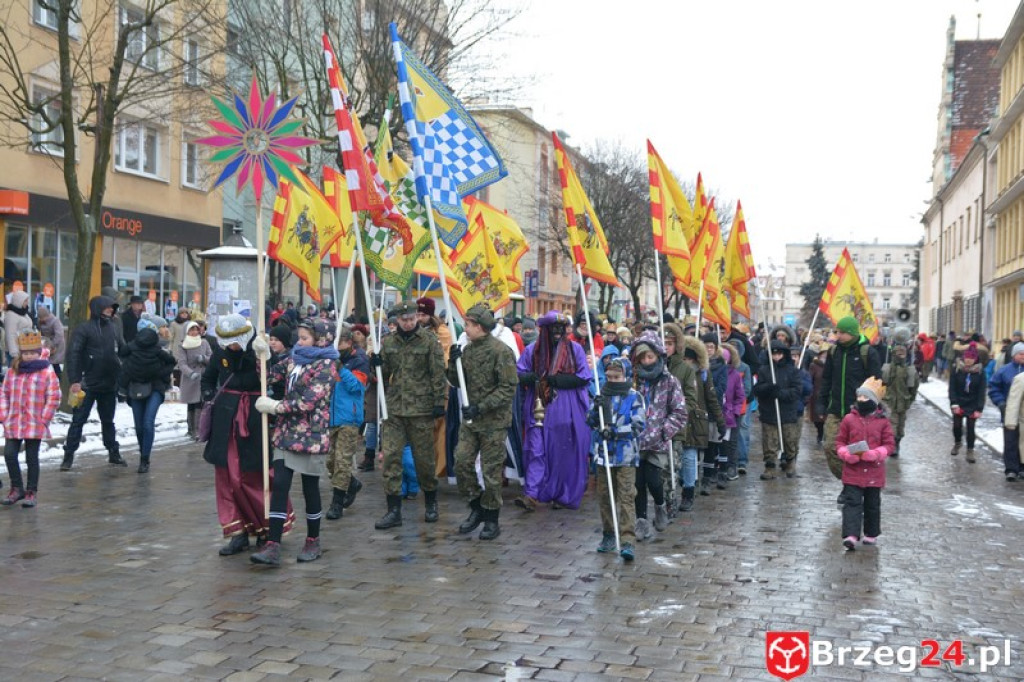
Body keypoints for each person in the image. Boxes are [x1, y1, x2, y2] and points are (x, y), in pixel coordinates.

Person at [202, 314, 293, 555]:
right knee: (227, 477)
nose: (230, 347)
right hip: (225, 421)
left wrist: (266, 358)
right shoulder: (220, 353)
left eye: (234, 342)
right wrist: (210, 396)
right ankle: (237, 531)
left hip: (254, 417)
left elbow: (274, 379)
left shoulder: (259, 351)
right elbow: (209, 377)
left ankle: (266, 528)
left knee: (255, 474)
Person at [251, 319, 338, 565]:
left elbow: (309, 402)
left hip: (311, 434)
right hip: (286, 433)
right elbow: (267, 378)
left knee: (310, 488)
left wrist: (277, 406)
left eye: (305, 338)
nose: (299, 342)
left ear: (320, 339)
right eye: (299, 337)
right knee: (280, 485)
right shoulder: (294, 359)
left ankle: (313, 540)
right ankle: (273, 543)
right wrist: (263, 355)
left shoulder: (327, 365)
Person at [371, 300, 446, 529]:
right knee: (391, 458)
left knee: (424, 460)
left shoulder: (429, 341)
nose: (408, 323)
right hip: (395, 409)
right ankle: (394, 510)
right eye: (404, 320)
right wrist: (375, 364)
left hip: (421, 409)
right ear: (397, 321)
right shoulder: (390, 343)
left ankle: (431, 503)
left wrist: (439, 402)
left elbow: (437, 372)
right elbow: (383, 376)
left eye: (411, 319)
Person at [448, 304, 517, 541]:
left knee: (490, 471)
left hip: (494, 422)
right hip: (471, 421)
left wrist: (482, 406)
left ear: (479, 326)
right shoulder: (467, 350)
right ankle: (476, 505)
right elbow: (457, 382)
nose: (465, 328)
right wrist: (452, 362)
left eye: (468, 324)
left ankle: (491, 519)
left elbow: (508, 388)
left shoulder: (501, 351)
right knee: (461, 462)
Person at [516, 311, 592, 511]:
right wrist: (532, 378)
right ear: (545, 330)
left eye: (561, 328)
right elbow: (519, 372)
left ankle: (561, 493)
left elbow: (584, 376)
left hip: (566, 409)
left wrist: (555, 380)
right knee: (536, 449)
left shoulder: (575, 350)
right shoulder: (533, 350)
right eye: (554, 329)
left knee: (562, 452)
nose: (558, 333)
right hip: (538, 406)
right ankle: (532, 494)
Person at [587, 357, 644, 561]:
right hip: (604, 456)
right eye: (609, 376)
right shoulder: (603, 395)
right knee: (605, 496)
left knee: (626, 496)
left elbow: (638, 426)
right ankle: (608, 534)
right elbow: (592, 422)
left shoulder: (634, 397)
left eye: (617, 377)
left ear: (626, 376)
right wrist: (596, 411)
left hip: (626, 456)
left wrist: (616, 431)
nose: (613, 380)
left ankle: (628, 539)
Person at [630, 332, 686, 539]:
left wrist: (665, 431)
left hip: (657, 441)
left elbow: (680, 411)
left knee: (653, 479)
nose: (646, 361)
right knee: (638, 483)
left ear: (658, 356)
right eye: (642, 357)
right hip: (635, 441)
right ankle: (641, 521)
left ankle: (660, 506)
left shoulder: (669, 381)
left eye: (650, 357)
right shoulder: (633, 379)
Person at [62, 295, 126, 471]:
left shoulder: (114, 327)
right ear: (98, 308)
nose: (111, 310)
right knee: (78, 421)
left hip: (108, 382)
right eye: (107, 307)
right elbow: (73, 355)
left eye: (112, 308)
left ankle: (113, 452)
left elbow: (122, 349)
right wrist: (75, 380)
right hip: (86, 383)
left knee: (108, 420)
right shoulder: (84, 329)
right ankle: (68, 456)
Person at [816, 316, 882, 483]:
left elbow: (877, 382)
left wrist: (870, 406)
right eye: (837, 332)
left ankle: (854, 486)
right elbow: (827, 380)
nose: (838, 335)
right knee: (830, 447)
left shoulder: (867, 352)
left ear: (852, 333)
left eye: (842, 333)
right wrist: (821, 404)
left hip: (860, 412)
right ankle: (848, 480)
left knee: (857, 451)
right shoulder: (834, 351)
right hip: (836, 409)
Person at [0, 330, 60, 507]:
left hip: (35, 422)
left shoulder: (46, 372)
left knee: (31, 457)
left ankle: (31, 491)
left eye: (32, 352)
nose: (29, 356)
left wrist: (44, 419)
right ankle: (16, 488)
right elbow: (4, 393)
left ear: (39, 351)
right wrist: (4, 414)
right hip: (14, 421)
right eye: (26, 353)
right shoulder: (13, 371)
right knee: (10, 454)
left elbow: (54, 396)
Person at [664, 324, 721, 513]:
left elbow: (710, 397)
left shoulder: (700, 373)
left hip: (693, 419)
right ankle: (671, 491)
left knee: (689, 455)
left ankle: (688, 491)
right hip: (668, 418)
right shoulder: (665, 366)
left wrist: (720, 420)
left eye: (690, 358)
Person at [835, 378, 895, 550]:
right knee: (851, 503)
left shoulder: (883, 422)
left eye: (865, 397)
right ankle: (851, 535)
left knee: (872, 505)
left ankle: (871, 533)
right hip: (853, 471)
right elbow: (840, 442)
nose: (861, 400)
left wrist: (876, 454)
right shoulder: (848, 419)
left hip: (874, 472)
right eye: (859, 397)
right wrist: (846, 454)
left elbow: (889, 444)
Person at [118, 320, 176, 473]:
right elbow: (124, 367)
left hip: (155, 388)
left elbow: (172, 362)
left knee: (147, 422)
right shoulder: (132, 351)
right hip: (136, 388)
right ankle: (143, 452)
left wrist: (161, 375)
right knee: (139, 425)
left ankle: (145, 458)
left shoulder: (157, 352)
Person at [325, 325, 369, 520]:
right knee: (330, 462)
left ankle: (337, 502)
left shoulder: (359, 360)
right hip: (331, 416)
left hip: (349, 418)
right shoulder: (329, 359)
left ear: (348, 342)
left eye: (340, 343)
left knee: (342, 462)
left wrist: (341, 369)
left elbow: (357, 387)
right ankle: (351, 483)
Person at [753, 339, 804, 480]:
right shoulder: (764, 370)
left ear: (784, 354)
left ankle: (790, 463)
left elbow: (797, 390)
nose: (776, 357)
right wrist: (768, 388)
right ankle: (769, 467)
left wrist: (781, 393)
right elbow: (757, 389)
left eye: (779, 354)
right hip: (769, 411)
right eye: (773, 354)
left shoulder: (792, 370)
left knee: (789, 439)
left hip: (787, 411)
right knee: (769, 441)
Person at [988, 341, 1024, 480]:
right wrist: (1001, 402)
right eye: (1021, 354)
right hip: (1008, 411)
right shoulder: (1004, 370)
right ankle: (1011, 469)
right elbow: (994, 388)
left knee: (1023, 441)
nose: (1023, 356)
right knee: (1011, 440)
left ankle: (1022, 467)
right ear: (1014, 355)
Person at [947, 343, 986, 463]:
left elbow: (981, 391)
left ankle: (970, 450)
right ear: (964, 357)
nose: (969, 360)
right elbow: (952, 387)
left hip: (973, 403)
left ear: (975, 359)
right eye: (967, 358)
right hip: (959, 401)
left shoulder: (980, 372)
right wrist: (954, 403)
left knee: (971, 427)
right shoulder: (957, 369)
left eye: (971, 358)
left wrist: (979, 408)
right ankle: (957, 442)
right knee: (957, 426)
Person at [174, 321, 212, 440]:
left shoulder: (204, 342)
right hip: (190, 378)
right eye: (192, 330)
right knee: (191, 403)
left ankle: (198, 430)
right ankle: (191, 429)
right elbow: (182, 363)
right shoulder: (183, 345)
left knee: (199, 403)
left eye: (196, 329)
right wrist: (190, 373)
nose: (195, 332)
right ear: (187, 332)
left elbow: (211, 357)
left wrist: (204, 358)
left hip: (203, 376)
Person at [881, 339, 919, 457]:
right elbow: (881, 384)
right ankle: (892, 446)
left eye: (903, 354)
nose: (901, 356)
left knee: (900, 428)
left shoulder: (909, 370)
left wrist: (909, 399)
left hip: (903, 402)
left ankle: (897, 442)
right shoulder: (887, 369)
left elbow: (914, 387)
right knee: (892, 425)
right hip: (890, 402)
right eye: (898, 354)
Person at [4, 290, 34, 365]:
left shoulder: (23, 313)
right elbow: (10, 334)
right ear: (19, 301)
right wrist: (14, 353)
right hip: (16, 352)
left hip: (25, 349)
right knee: (15, 373)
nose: (27, 303)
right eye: (25, 301)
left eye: (27, 300)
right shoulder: (11, 315)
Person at [36, 304, 65, 377]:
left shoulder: (55, 321)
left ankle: (58, 378)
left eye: (43, 317)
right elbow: (41, 332)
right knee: (47, 362)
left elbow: (59, 334)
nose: (42, 319)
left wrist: (52, 345)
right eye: (40, 318)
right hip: (47, 344)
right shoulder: (40, 322)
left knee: (55, 363)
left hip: (56, 345)